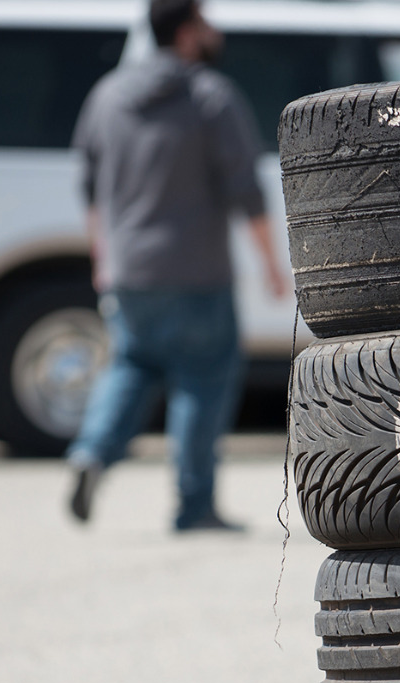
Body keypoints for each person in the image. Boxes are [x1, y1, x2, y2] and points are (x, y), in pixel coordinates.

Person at [65, 0, 288, 531]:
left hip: (128, 271)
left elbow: (89, 188)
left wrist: (103, 258)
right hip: (197, 272)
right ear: (188, 33)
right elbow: (246, 189)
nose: (215, 31)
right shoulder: (210, 95)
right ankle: (195, 505)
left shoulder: (106, 96)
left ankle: (92, 452)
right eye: (207, 21)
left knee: (131, 365)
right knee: (202, 380)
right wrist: (272, 264)